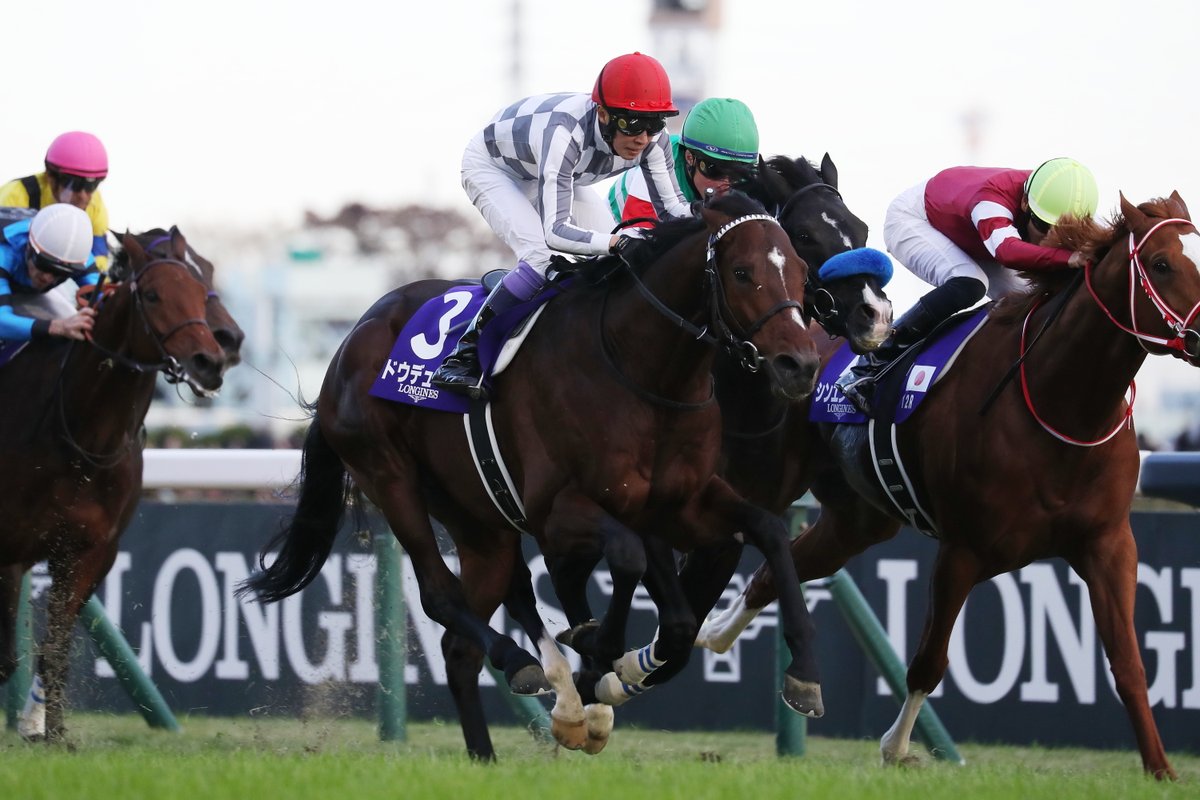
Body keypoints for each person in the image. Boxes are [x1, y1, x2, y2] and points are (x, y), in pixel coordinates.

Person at [431, 52, 693, 400]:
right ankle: (464, 354)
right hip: (494, 167)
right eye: (632, 124)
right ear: (604, 114)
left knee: (614, 259)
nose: (643, 138)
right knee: (541, 256)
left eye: (655, 123)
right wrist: (615, 243)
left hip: (554, 171)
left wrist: (723, 223)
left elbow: (674, 208)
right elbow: (556, 233)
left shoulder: (651, 140)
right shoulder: (565, 133)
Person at [838, 157, 1099, 414]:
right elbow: (1006, 251)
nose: (1049, 237)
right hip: (916, 220)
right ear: (1024, 202)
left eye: (1060, 230)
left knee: (1037, 300)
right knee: (970, 283)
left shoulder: (1053, 197)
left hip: (976, 235)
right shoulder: (992, 199)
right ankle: (868, 365)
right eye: (1043, 225)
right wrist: (1068, 257)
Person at [609, 96, 759, 225]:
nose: (726, 184)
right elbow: (638, 239)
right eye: (716, 170)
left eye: (738, 174)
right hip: (617, 224)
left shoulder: (748, 183)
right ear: (689, 158)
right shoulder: (660, 163)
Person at [0, 131, 111, 272]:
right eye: (75, 184)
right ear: (51, 177)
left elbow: (99, 256)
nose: (84, 196)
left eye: (92, 185)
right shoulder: (15, 196)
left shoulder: (95, 203)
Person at [0, 203, 99, 344]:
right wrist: (56, 327)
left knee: (70, 321)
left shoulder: (80, 259)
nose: (48, 278)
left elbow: (103, 297)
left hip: (23, 288)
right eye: (43, 265)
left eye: (61, 273)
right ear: (28, 247)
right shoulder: (5, 253)